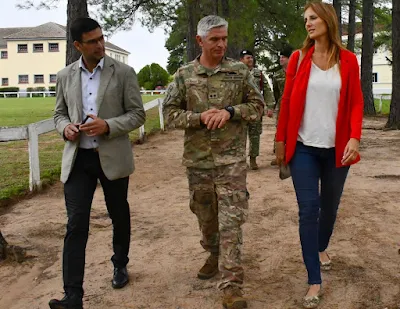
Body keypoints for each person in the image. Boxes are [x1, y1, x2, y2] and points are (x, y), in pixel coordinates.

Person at [163, 15, 264, 309]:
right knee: (206, 217)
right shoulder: (184, 75)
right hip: (199, 161)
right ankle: (213, 252)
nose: (221, 44)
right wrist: (198, 118)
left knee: (232, 221)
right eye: (214, 40)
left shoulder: (239, 72)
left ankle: (231, 285)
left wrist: (231, 112)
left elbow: (258, 106)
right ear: (200, 41)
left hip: (231, 161)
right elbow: (169, 115)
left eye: (224, 38)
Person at [49, 17, 146, 309]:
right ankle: (73, 295)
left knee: (119, 214)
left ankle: (120, 264)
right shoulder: (65, 75)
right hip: (78, 159)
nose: (100, 45)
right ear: (78, 45)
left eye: (102, 38)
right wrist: (64, 128)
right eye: (93, 41)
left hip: (112, 158)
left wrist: (108, 126)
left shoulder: (124, 73)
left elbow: (137, 114)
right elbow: (59, 114)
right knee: (76, 224)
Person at [275, 2, 363, 308]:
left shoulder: (349, 60)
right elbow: (286, 102)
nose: (308, 24)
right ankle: (314, 278)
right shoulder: (299, 59)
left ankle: (321, 246)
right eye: (305, 20)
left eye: (313, 18)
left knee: (330, 207)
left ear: (327, 19)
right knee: (308, 209)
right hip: (303, 148)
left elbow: (354, 102)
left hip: (337, 149)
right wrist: (280, 141)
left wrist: (354, 136)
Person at [239, 50, 274, 170]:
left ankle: (253, 159)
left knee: (255, 135)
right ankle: (241, 160)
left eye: (251, 58)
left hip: (255, 109)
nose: (250, 60)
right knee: (239, 136)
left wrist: (270, 106)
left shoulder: (258, 74)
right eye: (247, 58)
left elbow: (267, 89)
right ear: (241, 60)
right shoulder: (236, 73)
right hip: (240, 109)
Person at [270, 45, 293, 166]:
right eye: (280, 57)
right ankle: (278, 154)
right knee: (279, 128)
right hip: (282, 105)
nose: (281, 59)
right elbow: (276, 92)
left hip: (295, 104)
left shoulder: (297, 72)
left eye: (284, 57)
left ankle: (291, 154)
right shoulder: (277, 75)